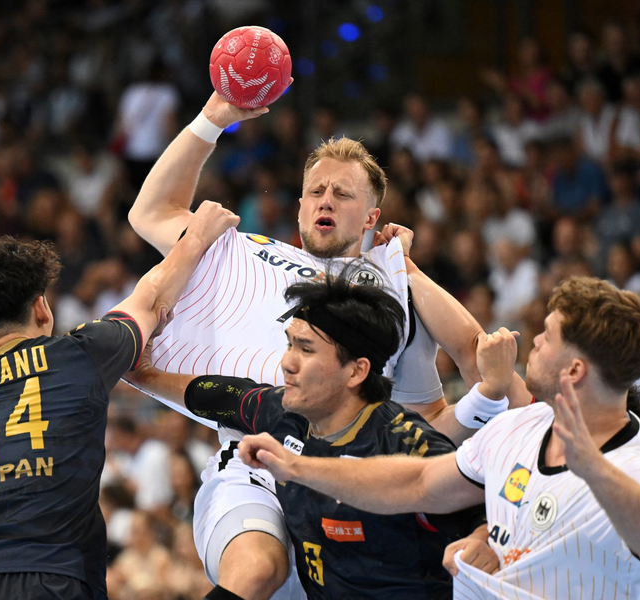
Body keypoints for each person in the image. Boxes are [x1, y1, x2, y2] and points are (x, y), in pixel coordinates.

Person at [128, 92, 529, 599]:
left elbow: (453, 392)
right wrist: (214, 119)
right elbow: (150, 212)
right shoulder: (242, 250)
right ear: (298, 206)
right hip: (256, 458)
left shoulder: (391, 295)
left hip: (353, 483)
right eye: (315, 190)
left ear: (371, 216)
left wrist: (404, 267)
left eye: (342, 193)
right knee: (256, 571)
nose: (325, 199)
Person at [239, 277, 640, 599]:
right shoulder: (517, 427)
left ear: (575, 371)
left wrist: (595, 471)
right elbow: (416, 483)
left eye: (546, 337)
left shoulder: (635, 469)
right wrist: (296, 466)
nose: (534, 342)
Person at [0, 201, 239, 600]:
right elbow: (152, 295)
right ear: (41, 306)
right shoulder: (80, 355)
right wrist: (198, 235)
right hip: (49, 574)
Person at [135, 270, 493, 599]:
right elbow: (218, 397)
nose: (287, 363)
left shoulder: (408, 444)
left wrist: (482, 538)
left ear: (356, 372)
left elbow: (485, 512)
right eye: (290, 344)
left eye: (306, 350)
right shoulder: (287, 415)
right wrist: (142, 375)